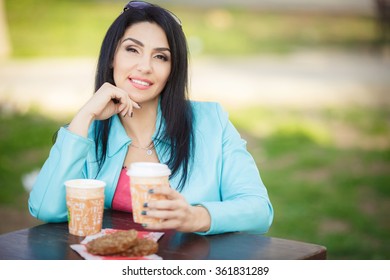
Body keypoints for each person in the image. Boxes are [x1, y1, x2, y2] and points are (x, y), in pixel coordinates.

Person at [28, 1, 273, 235]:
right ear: (112, 57)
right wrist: (84, 116)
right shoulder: (88, 133)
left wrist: (196, 217)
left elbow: (259, 210)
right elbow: (45, 208)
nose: (145, 66)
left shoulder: (211, 122)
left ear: (172, 69)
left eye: (160, 57)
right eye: (132, 50)